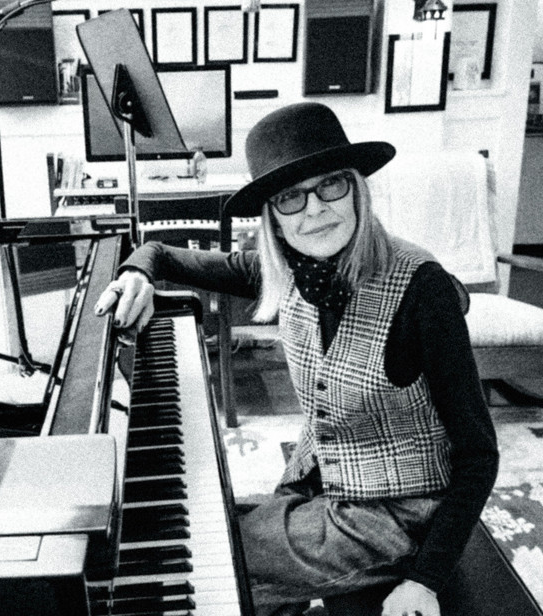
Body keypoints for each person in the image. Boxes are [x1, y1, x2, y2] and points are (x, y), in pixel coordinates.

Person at [94, 103, 499, 616]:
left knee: (212, 560)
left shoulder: (422, 289)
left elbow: (480, 454)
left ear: (356, 188)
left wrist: (425, 580)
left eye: (331, 185)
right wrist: (137, 272)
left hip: (400, 513)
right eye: (290, 197)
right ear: (274, 218)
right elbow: (164, 253)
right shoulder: (288, 268)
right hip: (319, 479)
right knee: (206, 521)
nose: (314, 210)